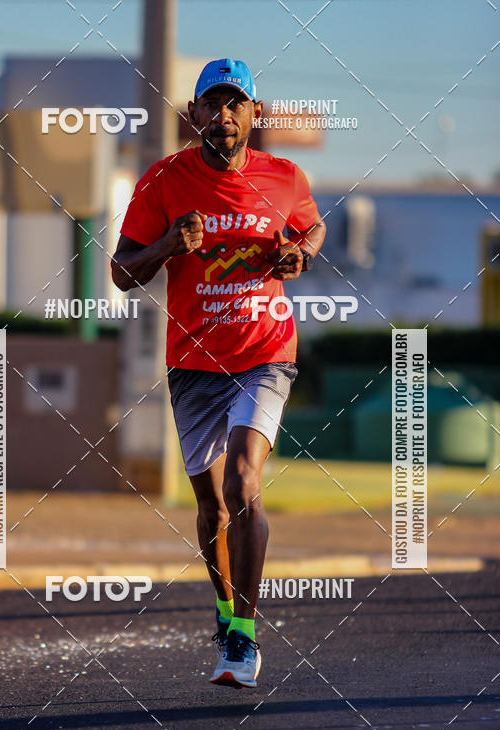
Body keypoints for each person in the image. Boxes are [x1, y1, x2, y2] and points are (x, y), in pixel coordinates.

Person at [111, 58, 326, 688]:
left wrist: (301, 254)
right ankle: (227, 607)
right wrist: (165, 247)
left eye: (236, 104)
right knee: (211, 509)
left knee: (242, 481)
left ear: (255, 114)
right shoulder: (162, 181)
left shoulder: (284, 177)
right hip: (192, 363)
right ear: (194, 114)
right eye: (213, 103)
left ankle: (244, 637)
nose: (224, 115)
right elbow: (121, 273)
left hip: (265, 352)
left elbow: (311, 226)